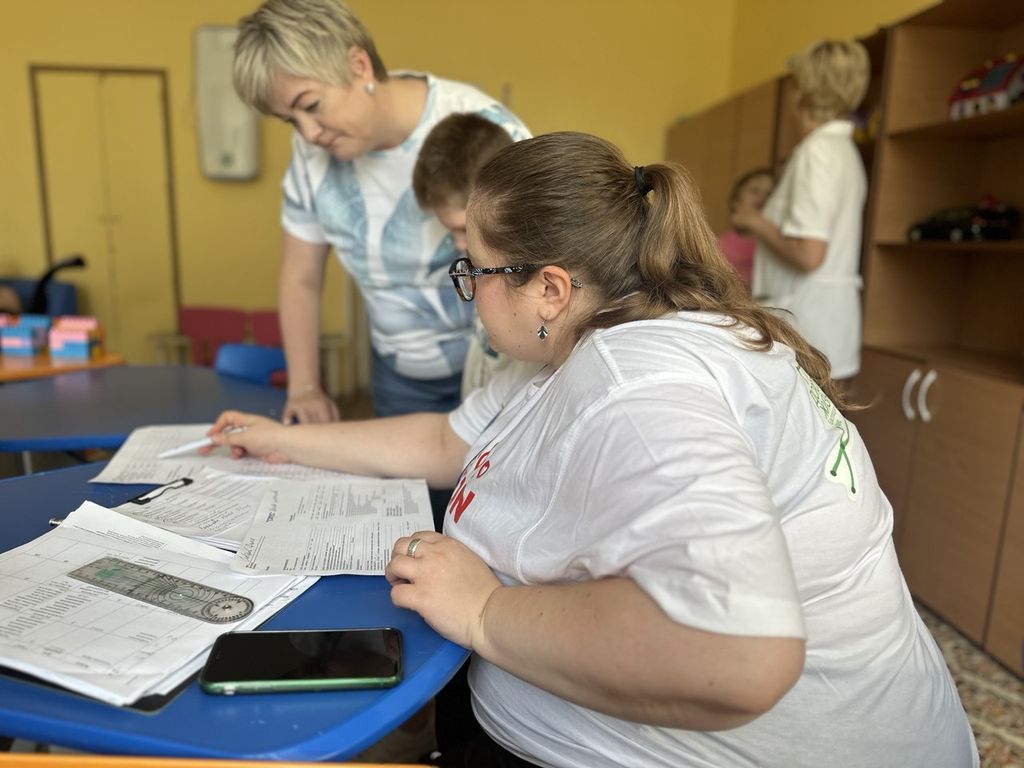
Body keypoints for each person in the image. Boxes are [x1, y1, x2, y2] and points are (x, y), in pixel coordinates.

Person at [206, 132, 978, 767]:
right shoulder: (593, 334)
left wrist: (485, 610)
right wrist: (283, 439)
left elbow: (742, 656)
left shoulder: (640, 383)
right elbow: (445, 440)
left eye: (473, 268)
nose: (466, 289)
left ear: (549, 288)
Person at [233, 0, 530, 423]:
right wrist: (304, 388)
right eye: (290, 120)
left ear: (359, 66)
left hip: (498, 366)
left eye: (311, 105)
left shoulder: (487, 129)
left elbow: (535, 264)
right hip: (398, 375)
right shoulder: (311, 153)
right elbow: (301, 276)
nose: (308, 133)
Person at [732, 39, 868, 380]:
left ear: (801, 90)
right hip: (824, 320)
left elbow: (809, 254)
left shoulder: (817, 152)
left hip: (807, 321)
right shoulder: (842, 150)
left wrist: (755, 221)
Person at [412, 112, 532, 398]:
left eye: (464, 229)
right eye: (450, 231)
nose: (458, 244)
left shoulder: (532, 303)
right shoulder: (487, 274)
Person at [717, 167, 774, 288]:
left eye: (769, 194)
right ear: (735, 202)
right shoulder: (722, 245)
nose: (762, 197)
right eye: (754, 191)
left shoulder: (778, 245)